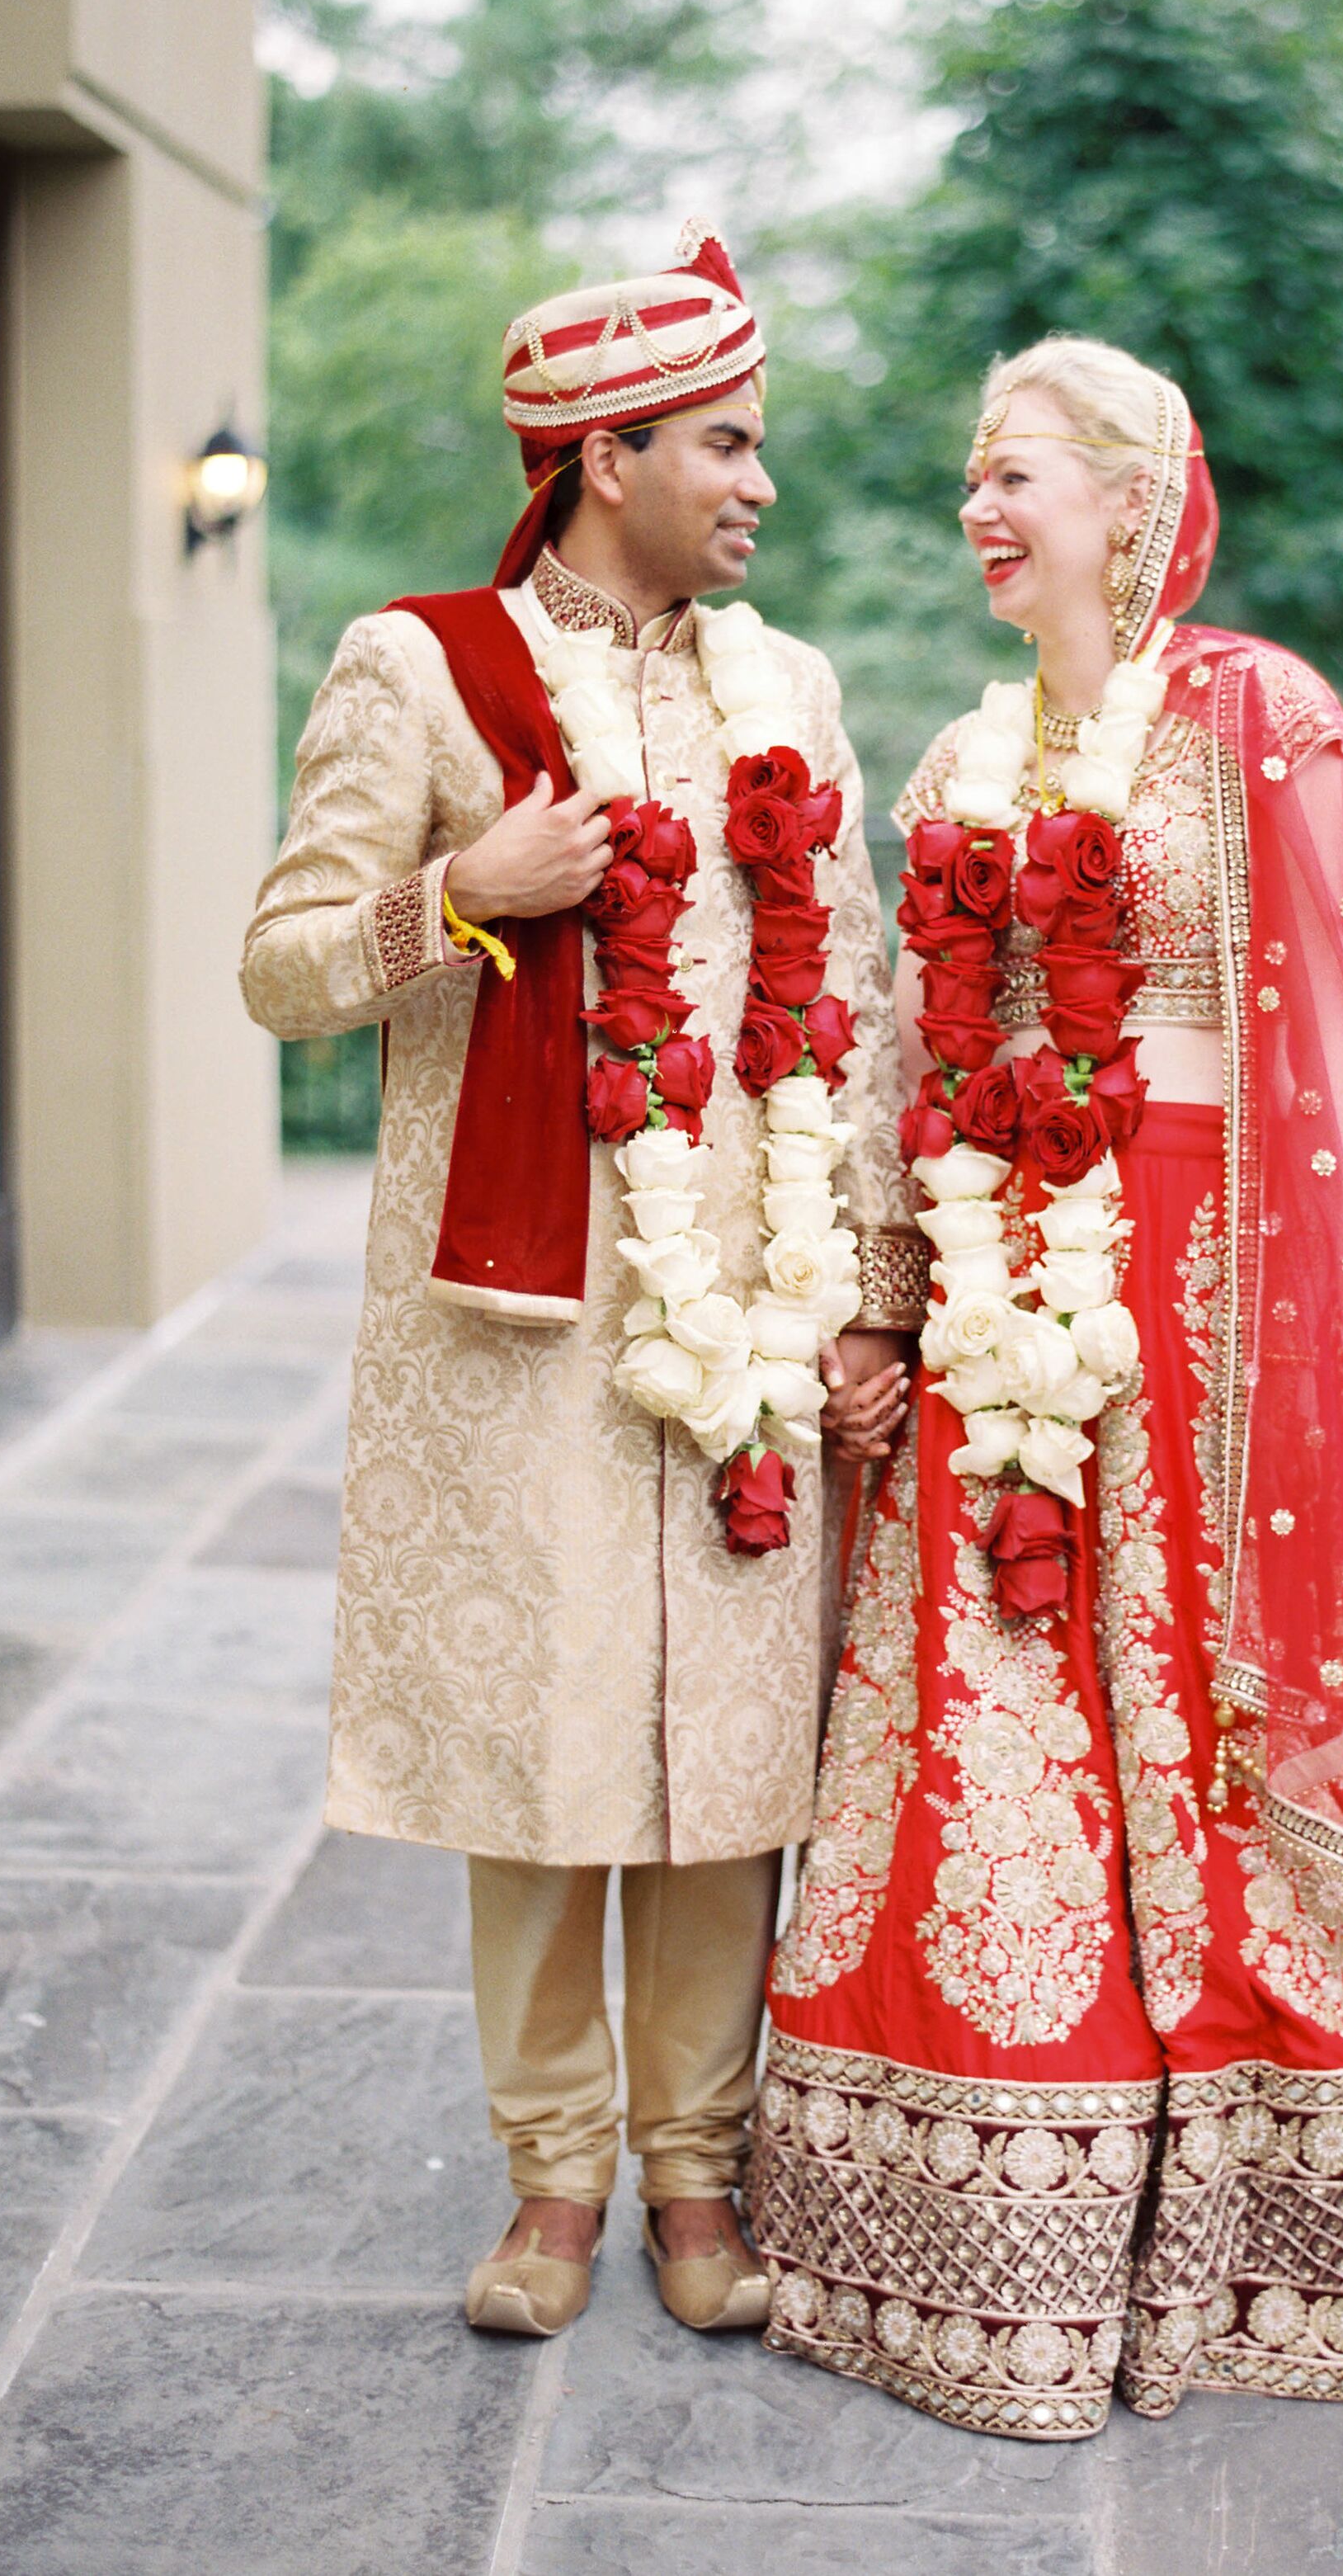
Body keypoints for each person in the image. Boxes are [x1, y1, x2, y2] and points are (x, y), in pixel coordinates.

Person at [748, 336, 1343, 2438]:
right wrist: (883, 1302)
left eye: (1019, 475)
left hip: (1203, 1312)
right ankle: (955, 2227)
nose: (981, 509)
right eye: (967, 479)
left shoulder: (1258, 715)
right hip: (1003, 1304)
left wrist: (1284, 1346)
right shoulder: (956, 766)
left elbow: (1341, 1063)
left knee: (1206, 1710)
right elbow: (901, 1045)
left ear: (1137, 495)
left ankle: (1297, 2208)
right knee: (984, 1706)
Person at [241, 224, 921, 2345]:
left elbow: (872, 1004)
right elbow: (278, 970)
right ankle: (550, 2180)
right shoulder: (417, 665)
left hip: (748, 1297)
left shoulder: (782, 689)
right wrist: (462, 895)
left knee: (728, 1747)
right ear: (601, 453)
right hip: (519, 1315)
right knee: (543, 1748)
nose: (759, 484)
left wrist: (869, 1295)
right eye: (725, 444)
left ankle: (697, 2178)